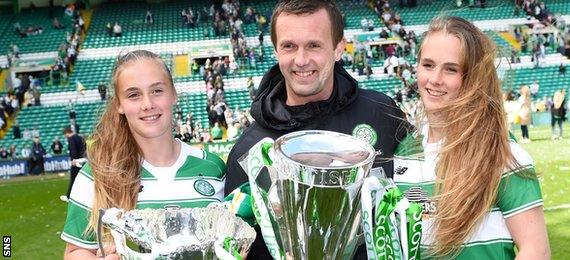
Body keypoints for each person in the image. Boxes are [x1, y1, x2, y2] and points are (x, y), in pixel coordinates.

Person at [224, 1, 406, 258]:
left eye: (314, 45)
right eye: (289, 46)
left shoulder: (382, 113)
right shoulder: (249, 152)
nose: (301, 60)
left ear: (339, 48)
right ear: (276, 50)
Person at [393, 16, 550, 259]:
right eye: (428, 65)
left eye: (451, 69)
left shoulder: (502, 153)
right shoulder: (405, 150)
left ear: (473, 79)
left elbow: (536, 251)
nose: (435, 79)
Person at [61, 50, 226, 259]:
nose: (147, 104)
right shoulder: (97, 173)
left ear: (173, 94)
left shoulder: (213, 168)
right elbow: (76, 251)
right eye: (133, 95)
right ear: (119, 105)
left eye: (157, 90)